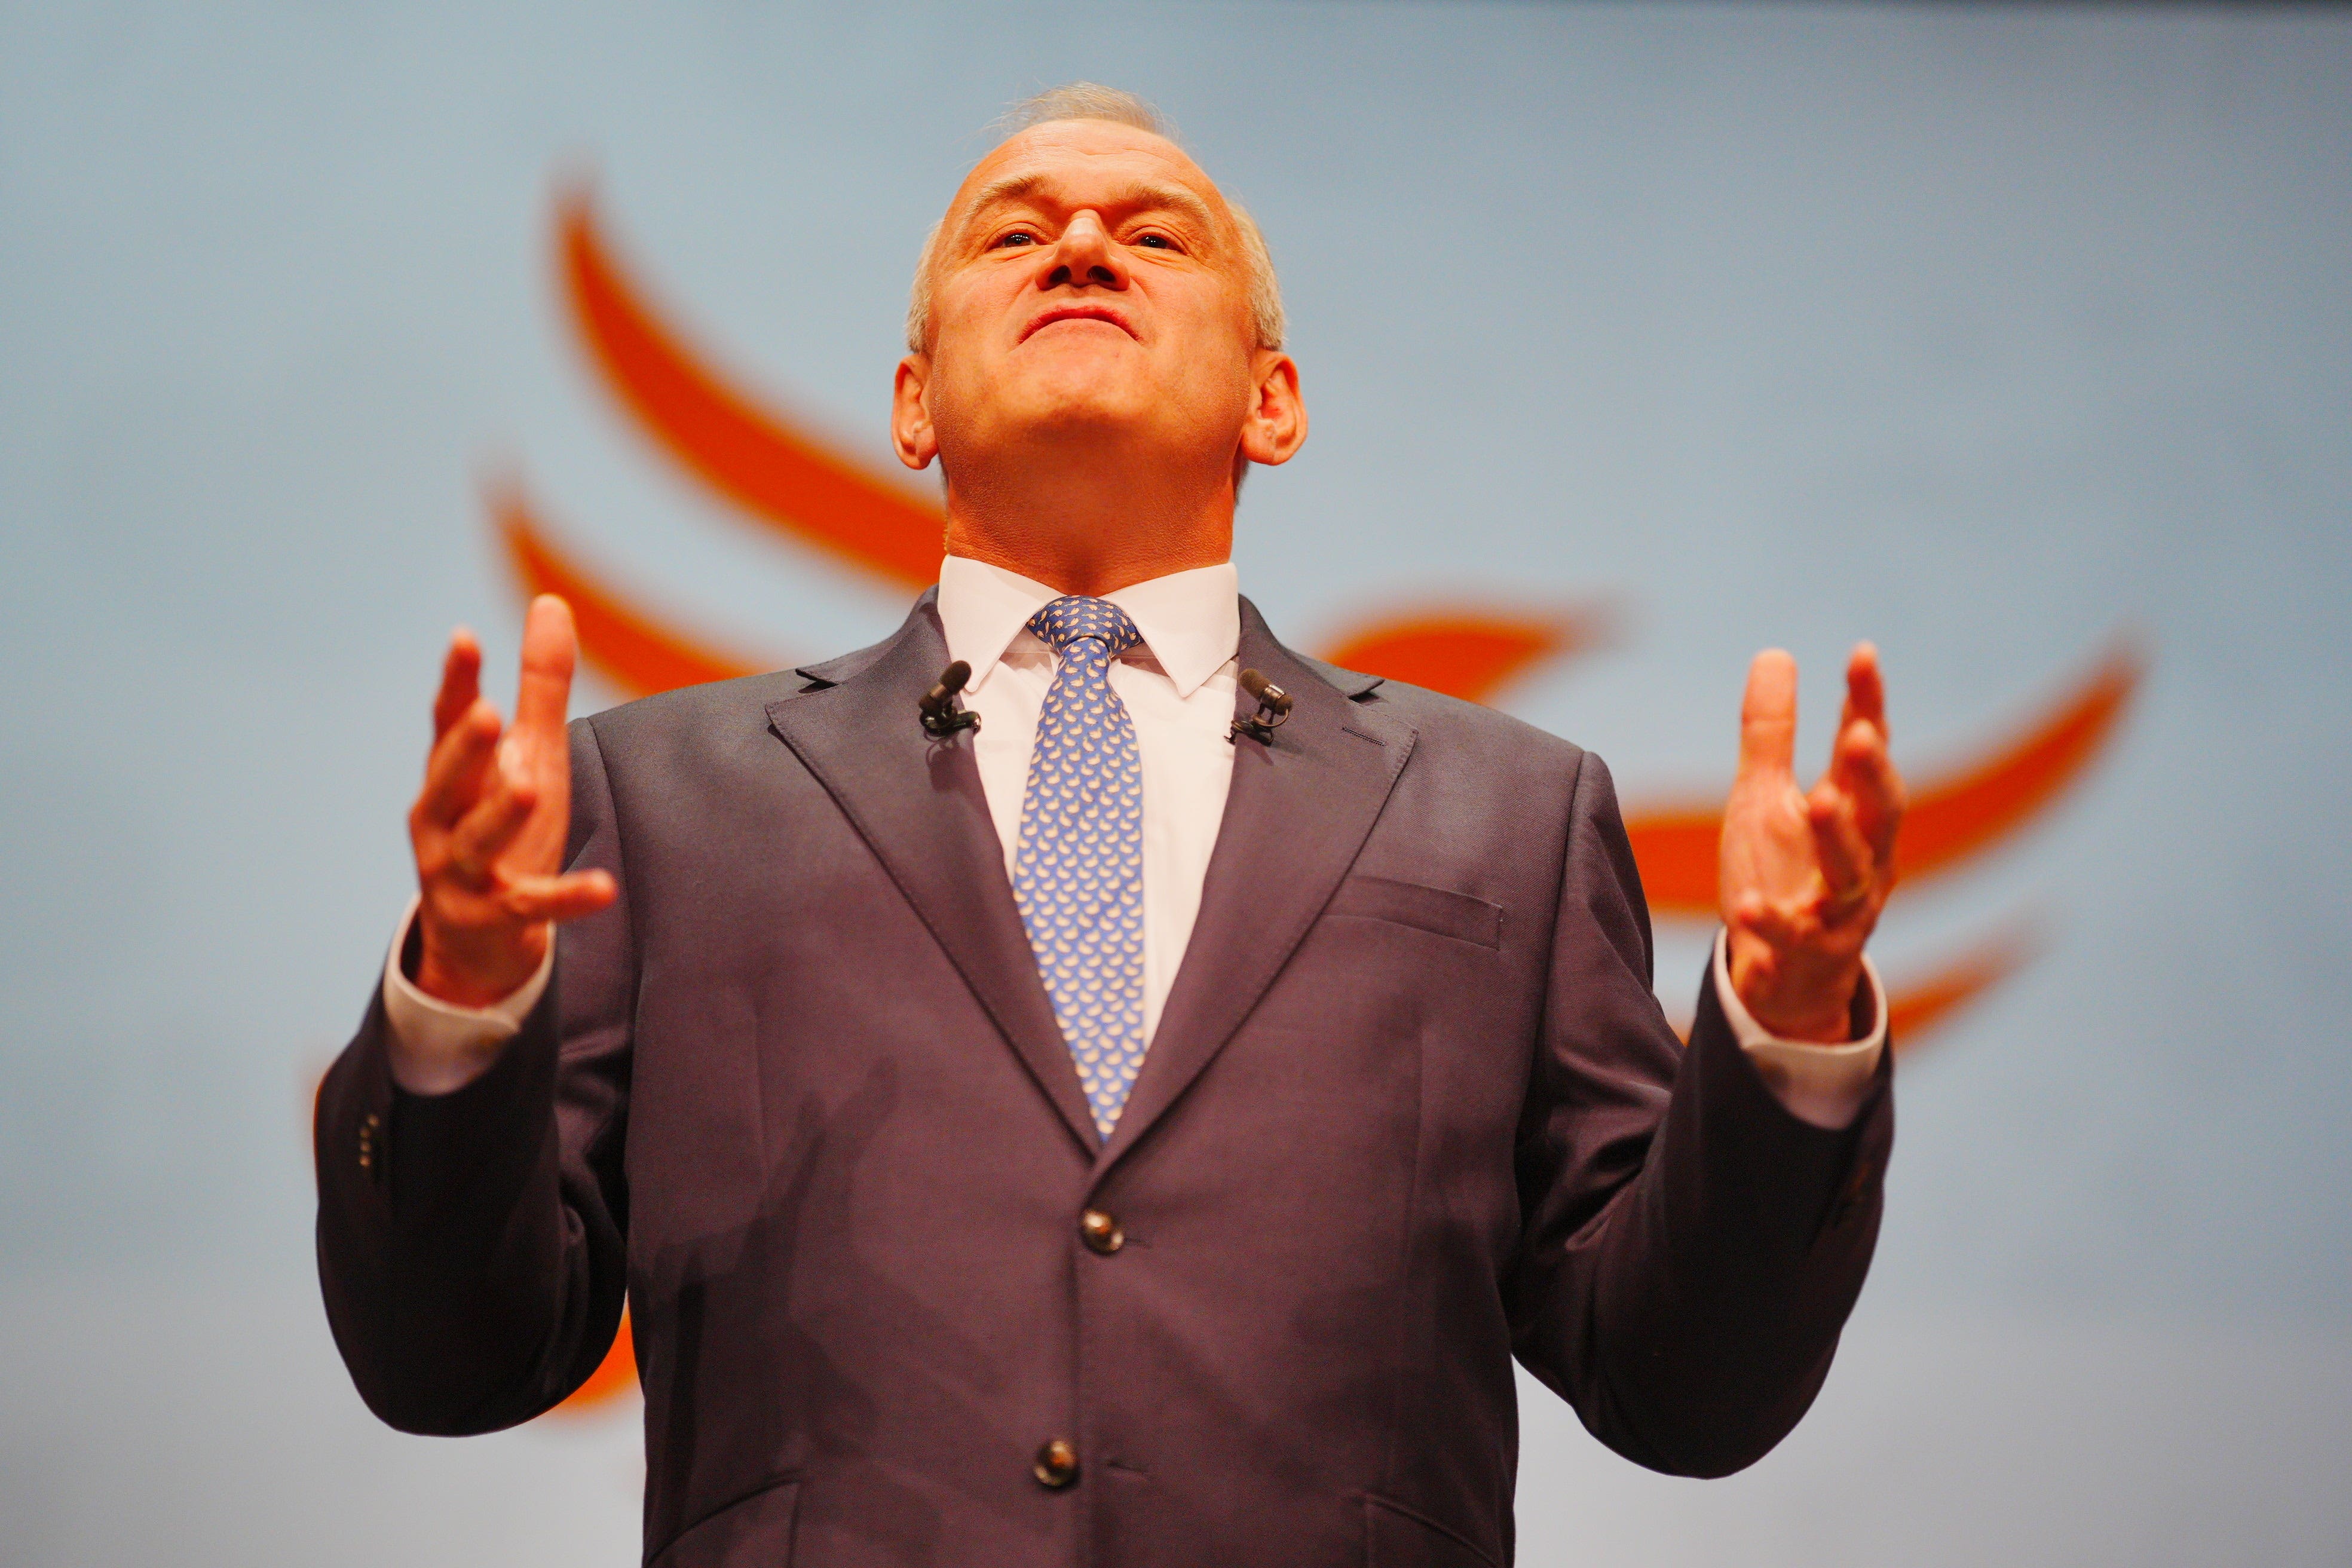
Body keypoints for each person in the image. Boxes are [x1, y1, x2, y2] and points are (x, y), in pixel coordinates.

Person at [316, 84, 1903, 1568]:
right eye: (1015, 231)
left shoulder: (1509, 814)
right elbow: (449, 1359)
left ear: (1272, 401)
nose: (1080, 242)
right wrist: (461, 993)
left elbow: (1687, 1384)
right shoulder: (662, 803)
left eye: (1155, 234)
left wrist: (1789, 1023)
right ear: (913, 403)